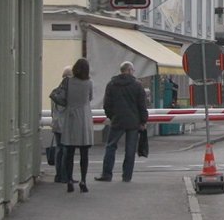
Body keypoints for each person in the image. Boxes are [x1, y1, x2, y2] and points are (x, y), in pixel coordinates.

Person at [97, 61, 149, 183]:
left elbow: (107, 104)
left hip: (117, 120)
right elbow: (142, 105)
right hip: (133, 122)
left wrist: (112, 116)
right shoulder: (137, 85)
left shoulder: (111, 84)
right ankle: (126, 176)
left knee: (110, 147)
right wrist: (143, 120)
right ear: (129, 70)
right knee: (130, 149)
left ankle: (106, 174)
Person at [60, 58, 94, 194]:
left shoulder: (68, 81)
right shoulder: (89, 83)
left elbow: (64, 97)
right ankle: (83, 180)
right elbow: (90, 98)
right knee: (84, 153)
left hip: (71, 117)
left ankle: (69, 179)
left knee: (69, 152)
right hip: (84, 117)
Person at [49, 66, 73, 182]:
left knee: (59, 149)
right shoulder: (69, 92)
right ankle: (65, 175)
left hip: (56, 124)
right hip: (65, 125)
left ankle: (58, 175)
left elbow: (52, 111)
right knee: (66, 150)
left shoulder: (55, 92)